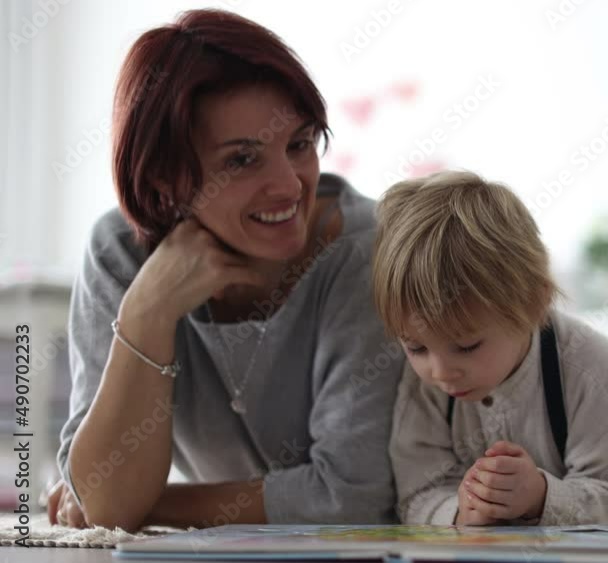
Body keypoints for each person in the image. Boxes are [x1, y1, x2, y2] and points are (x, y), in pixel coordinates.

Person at [47, 9, 402, 531]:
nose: (289, 186)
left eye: (299, 145)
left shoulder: (369, 253)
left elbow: (350, 498)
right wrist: (147, 313)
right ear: (164, 177)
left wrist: (149, 505)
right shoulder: (119, 254)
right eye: (242, 160)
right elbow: (102, 491)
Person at [374, 171, 608, 526]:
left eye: (467, 346)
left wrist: (541, 498)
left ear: (535, 304)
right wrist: (458, 512)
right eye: (416, 348)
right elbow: (416, 494)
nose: (440, 372)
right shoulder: (424, 387)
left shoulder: (594, 368)